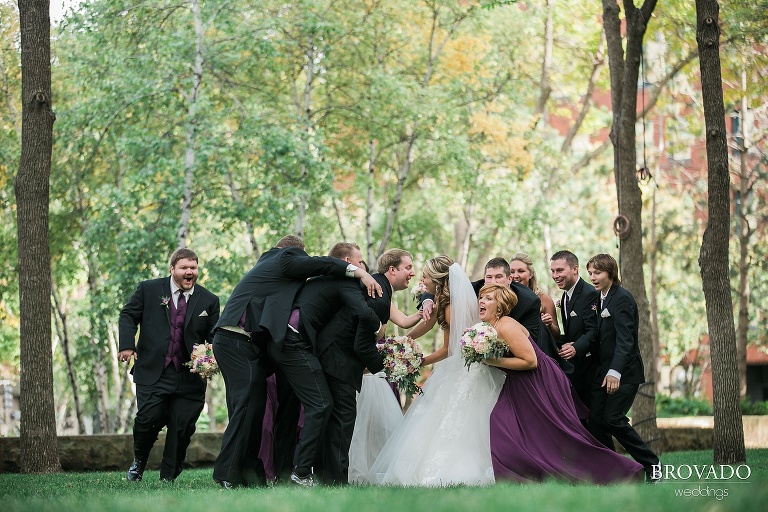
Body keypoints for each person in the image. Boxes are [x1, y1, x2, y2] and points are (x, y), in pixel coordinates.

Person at [211, 235, 381, 489]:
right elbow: (322, 263)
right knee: (247, 407)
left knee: (261, 408)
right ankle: (229, 474)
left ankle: (255, 473)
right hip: (236, 339)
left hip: (256, 345)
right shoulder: (284, 256)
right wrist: (360, 273)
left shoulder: (273, 273)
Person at [479, 283, 644, 483]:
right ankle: (524, 471)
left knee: (558, 435)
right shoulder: (490, 328)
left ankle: (623, 470)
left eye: (488, 299)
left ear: (500, 306)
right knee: (504, 424)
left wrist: (492, 361)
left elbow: (530, 361)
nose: (481, 301)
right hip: (518, 382)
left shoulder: (506, 325)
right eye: (481, 297)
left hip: (538, 380)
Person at [366, 256, 506, 486]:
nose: (422, 280)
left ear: (438, 280)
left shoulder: (451, 307)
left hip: (461, 369)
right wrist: (401, 342)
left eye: (425, 276)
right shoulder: (443, 299)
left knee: (454, 419)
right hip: (463, 366)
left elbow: (449, 350)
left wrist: (418, 361)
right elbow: (426, 324)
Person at [270, 242, 386, 486]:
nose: (362, 267)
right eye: (359, 260)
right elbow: (362, 312)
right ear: (346, 261)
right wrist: (378, 328)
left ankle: (296, 473)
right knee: (324, 406)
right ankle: (304, 474)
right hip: (297, 341)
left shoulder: (319, 280)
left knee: (304, 410)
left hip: (287, 341)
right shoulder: (344, 280)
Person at [316, 248, 420, 485]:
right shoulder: (379, 296)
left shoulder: (379, 289)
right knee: (343, 421)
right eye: (408, 268)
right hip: (337, 359)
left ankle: (330, 478)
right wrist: (386, 369)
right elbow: (362, 346)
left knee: (338, 421)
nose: (412, 273)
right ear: (392, 270)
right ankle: (337, 481)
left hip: (334, 356)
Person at [118, 248, 220, 482]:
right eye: (184, 267)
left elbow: (214, 335)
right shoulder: (149, 289)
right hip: (153, 371)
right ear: (172, 269)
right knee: (146, 420)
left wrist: (209, 358)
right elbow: (128, 315)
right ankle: (139, 462)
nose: (189, 272)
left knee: (181, 428)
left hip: (190, 376)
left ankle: (168, 476)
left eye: (193, 268)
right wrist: (127, 345)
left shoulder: (209, 300)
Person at [586, 254, 661, 483]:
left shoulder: (623, 298)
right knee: (596, 421)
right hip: (603, 373)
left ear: (611, 272)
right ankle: (615, 468)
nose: (592, 277)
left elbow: (626, 341)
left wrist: (615, 372)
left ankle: (654, 465)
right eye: (590, 273)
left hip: (624, 373)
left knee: (612, 419)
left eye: (597, 273)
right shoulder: (600, 298)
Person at [550, 250, 599, 409]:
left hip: (591, 370)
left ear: (575, 269)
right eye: (552, 271)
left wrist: (575, 347)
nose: (555, 275)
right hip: (576, 371)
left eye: (559, 270)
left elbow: (594, 331)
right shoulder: (565, 297)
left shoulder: (589, 293)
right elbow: (572, 332)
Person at [509, 252, 560, 339]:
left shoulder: (543, 299)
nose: (515, 276)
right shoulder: (504, 298)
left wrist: (549, 324)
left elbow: (557, 334)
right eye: (512, 272)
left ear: (531, 274)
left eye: (521, 271)